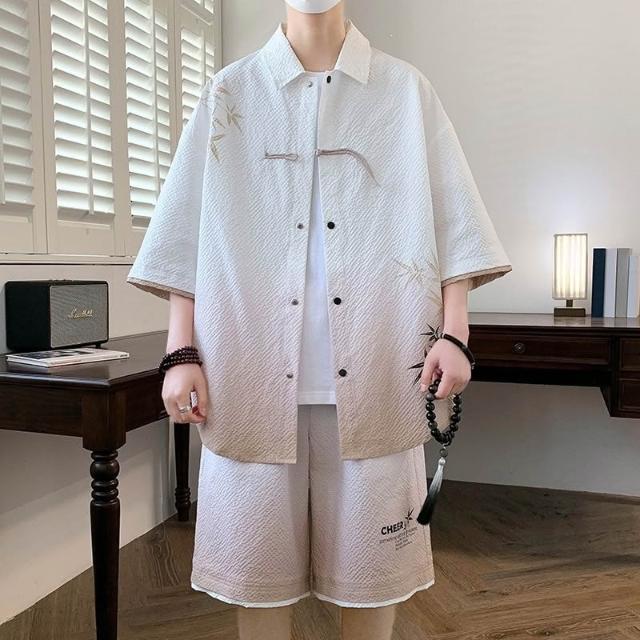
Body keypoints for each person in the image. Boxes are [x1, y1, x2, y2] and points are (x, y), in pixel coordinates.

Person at [126, 1, 513, 638]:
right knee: (256, 583)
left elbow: (454, 221)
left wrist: (455, 333)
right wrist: (180, 351)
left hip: (384, 373)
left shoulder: (404, 91)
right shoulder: (230, 92)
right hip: (246, 378)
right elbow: (186, 232)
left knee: (371, 584)